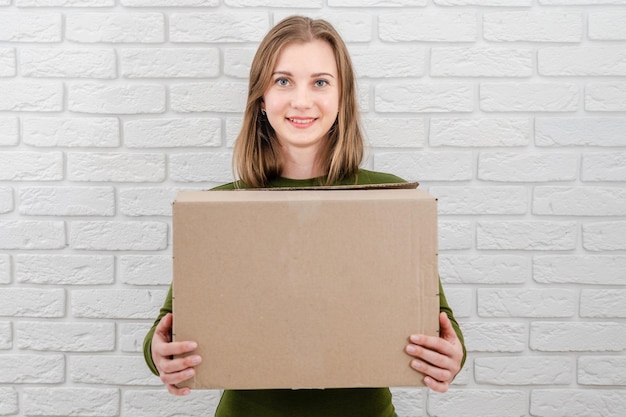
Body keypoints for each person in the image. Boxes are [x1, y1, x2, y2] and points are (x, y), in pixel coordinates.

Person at [143, 15, 466, 417]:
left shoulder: (389, 200)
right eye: (283, 81)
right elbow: (168, 327)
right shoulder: (222, 208)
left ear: (341, 96)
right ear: (260, 98)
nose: (301, 100)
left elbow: (439, 321)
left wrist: (452, 355)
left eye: (320, 82)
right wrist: (161, 354)